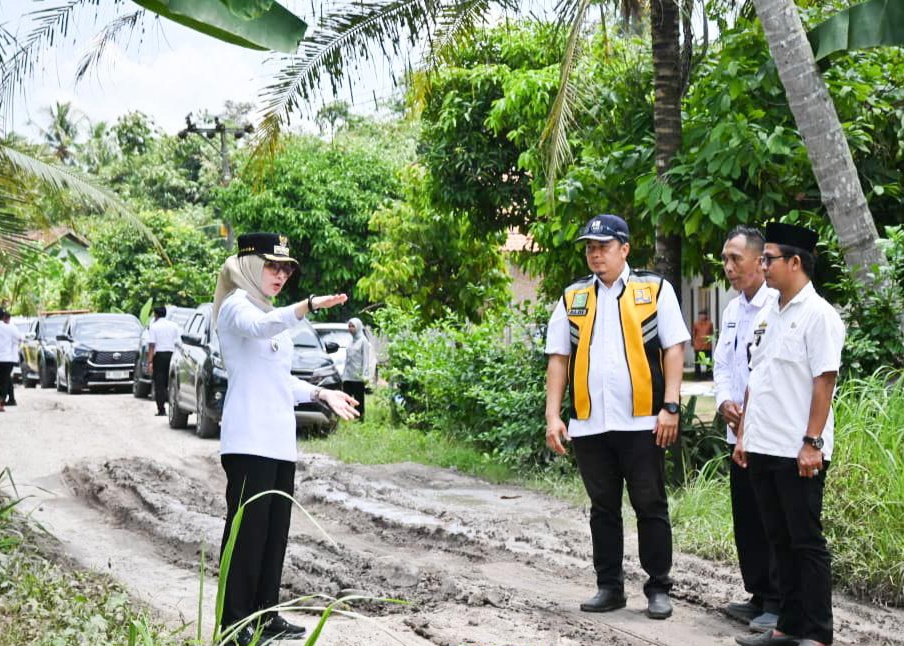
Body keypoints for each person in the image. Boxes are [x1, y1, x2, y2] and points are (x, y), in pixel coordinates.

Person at [212, 232, 360, 646]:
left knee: (274, 534)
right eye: (272, 267)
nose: (280, 276)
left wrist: (320, 393)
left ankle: (265, 615)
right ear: (248, 265)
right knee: (246, 535)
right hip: (248, 441)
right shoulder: (236, 308)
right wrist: (308, 305)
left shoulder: (271, 315)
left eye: (285, 270)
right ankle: (234, 625)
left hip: (278, 443)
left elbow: (278, 380)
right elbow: (260, 328)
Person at [544, 214, 690, 620]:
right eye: (590, 248)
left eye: (604, 247)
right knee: (603, 509)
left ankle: (658, 588)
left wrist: (671, 406)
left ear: (624, 249)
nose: (595, 254)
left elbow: (674, 348)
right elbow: (558, 358)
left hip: (643, 423)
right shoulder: (573, 297)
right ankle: (609, 587)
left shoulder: (653, 289)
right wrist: (553, 415)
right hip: (590, 425)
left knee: (650, 504)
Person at [732, 222, 845, 646]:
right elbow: (755, 377)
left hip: (798, 450)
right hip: (762, 445)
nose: (763, 265)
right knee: (778, 541)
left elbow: (824, 381)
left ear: (795, 262)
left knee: (805, 543)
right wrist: (744, 436)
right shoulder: (768, 313)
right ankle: (787, 626)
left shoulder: (819, 316)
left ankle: (816, 632)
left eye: (769, 259)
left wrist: (812, 442)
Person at [713, 227, 781, 632]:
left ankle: (776, 599)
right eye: (725, 259)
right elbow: (722, 363)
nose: (728, 267)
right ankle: (757, 594)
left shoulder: (776, 305)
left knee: (770, 515)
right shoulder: (732, 309)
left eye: (735, 259)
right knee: (746, 516)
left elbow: (766, 372)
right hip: (735, 430)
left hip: (766, 432)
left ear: (760, 261)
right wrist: (724, 401)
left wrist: (750, 413)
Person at [147, 305, 181, 416]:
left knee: (159, 384)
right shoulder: (174, 325)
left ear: (155, 315)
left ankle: (161, 409)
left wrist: (150, 362)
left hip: (160, 356)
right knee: (171, 382)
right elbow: (178, 342)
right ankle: (174, 407)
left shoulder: (154, 327)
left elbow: (152, 345)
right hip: (172, 355)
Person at [342, 317, 371, 420]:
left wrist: (365, 375)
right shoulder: (350, 341)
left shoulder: (363, 341)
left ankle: (359, 418)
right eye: (349, 326)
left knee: (358, 399)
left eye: (353, 326)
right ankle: (346, 416)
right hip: (348, 375)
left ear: (358, 327)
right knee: (346, 397)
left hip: (358, 376)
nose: (350, 328)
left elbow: (366, 360)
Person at [0, 308, 23, 412]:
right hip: (7, 359)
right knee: (5, 381)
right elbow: (20, 338)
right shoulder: (10, 327)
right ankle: (1, 403)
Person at [692, 309, 714, 379]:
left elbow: (711, 333)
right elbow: (694, 334)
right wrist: (694, 344)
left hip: (707, 346)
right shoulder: (696, 324)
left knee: (708, 362)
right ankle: (697, 376)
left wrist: (709, 342)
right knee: (697, 362)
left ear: (706, 315)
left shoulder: (710, 324)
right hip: (698, 346)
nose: (702, 316)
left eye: (703, 315)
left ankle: (709, 375)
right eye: (701, 315)